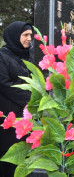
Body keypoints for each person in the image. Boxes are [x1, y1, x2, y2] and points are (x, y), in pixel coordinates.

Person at [0, 21, 33, 176]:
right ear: (15, 36)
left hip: (25, 121)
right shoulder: (2, 56)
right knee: (8, 162)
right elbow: (5, 84)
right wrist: (31, 98)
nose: (29, 38)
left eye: (30, 35)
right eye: (25, 35)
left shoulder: (27, 56)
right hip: (9, 118)